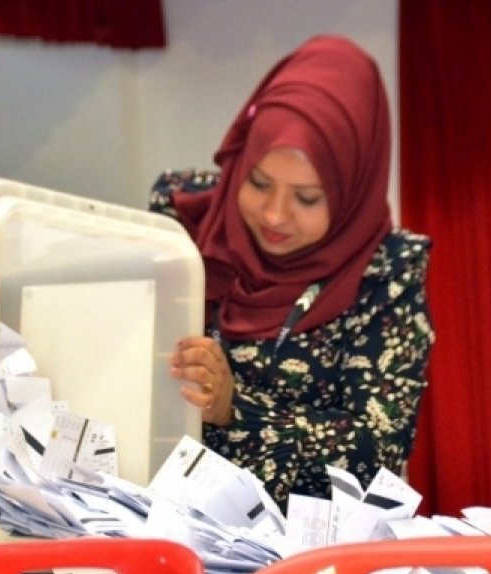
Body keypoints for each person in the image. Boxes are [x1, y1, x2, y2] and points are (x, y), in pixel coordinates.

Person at [151, 35, 435, 511]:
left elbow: (377, 450)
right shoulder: (186, 217)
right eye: (258, 183)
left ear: (351, 190)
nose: (275, 215)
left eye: (307, 198)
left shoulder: (385, 272)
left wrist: (234, 410)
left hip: (314, 552)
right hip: (169, 524)